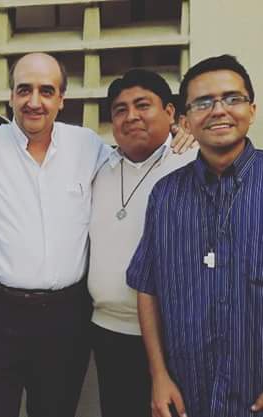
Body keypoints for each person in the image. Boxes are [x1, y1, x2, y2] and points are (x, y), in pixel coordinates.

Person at [127, 54, 263, 417]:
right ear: (185, 121)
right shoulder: (166, 195)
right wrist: (158, 375)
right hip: (187, 396)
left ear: (251, 110)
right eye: (203, 102)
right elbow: (147, 288)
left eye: (232, 98)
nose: (219, 110)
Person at [87, 69, 197, 417]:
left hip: (174, 339)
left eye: (143, 105)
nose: (131, 116)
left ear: (170, 112)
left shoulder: (194, 164)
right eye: (120, 110)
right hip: (107, 332)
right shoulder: (98, 168)